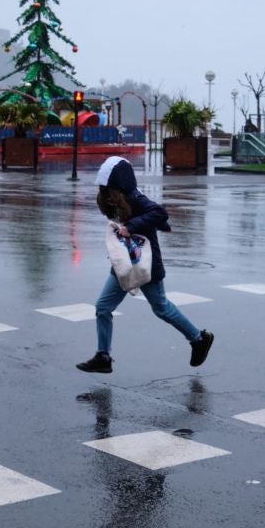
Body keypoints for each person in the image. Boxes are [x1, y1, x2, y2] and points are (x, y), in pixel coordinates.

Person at [77, 156, 214, 374]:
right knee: (103, 307)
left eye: (106, 188)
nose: (103, 193)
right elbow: (156, 217)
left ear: (118, 184)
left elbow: (158, 211)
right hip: (124, 262)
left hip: (146, 263)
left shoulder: (133, 196)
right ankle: (103, 356)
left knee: (161, 308)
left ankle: (199, 339)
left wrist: (131, 226)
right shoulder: (116, 198)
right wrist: (159, 225)